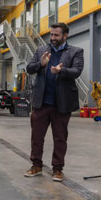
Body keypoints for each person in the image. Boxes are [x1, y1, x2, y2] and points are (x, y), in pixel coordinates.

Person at [24, 23, 84, 181]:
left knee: (60, 138)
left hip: (62, 103)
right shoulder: (41, 51)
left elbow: (77, 71)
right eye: (51, 35)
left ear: (65, 36)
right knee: (37, 136)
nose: (52, 38)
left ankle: (57, 169)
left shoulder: (76, 52)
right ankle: (36, 165)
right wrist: (41, 64)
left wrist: (61, 70)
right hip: (42, 102)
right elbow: (29, 68)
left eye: (56, 35)